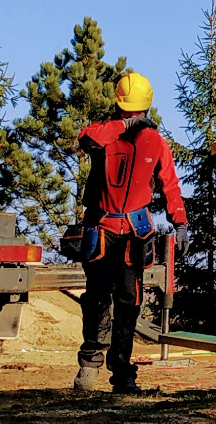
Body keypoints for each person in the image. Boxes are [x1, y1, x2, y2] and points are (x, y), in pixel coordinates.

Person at [74, 72, 188, 394]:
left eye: (134, 113)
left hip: (133, 235)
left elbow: (171, 185)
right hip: (102, 229)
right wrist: (123, 126)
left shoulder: (156, 143)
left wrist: (180, 222)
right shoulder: (106, 135)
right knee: (96, 297)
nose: (132, 117)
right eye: (128, 113)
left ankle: (122, 372)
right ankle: (89, 362)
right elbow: (85, 138)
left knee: (129, 301)